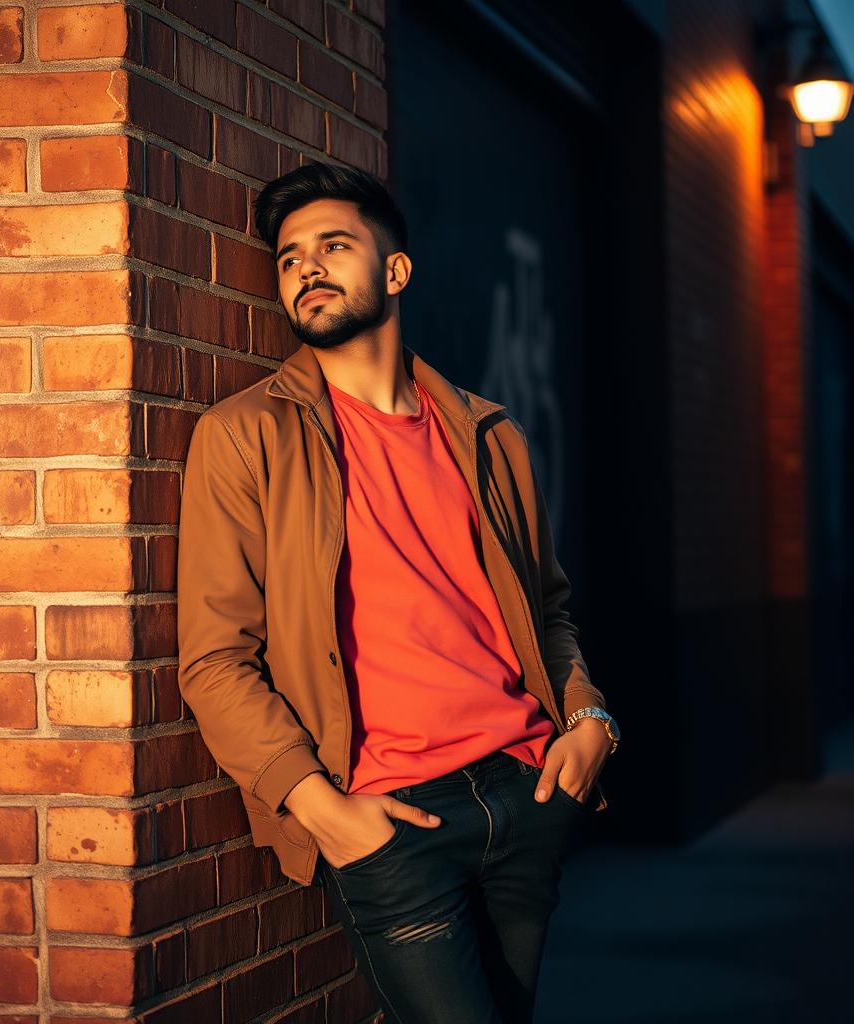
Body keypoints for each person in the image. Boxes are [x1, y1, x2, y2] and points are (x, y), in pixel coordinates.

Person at [177, 161, 620, 1023]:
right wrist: (323, 811)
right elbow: (213, 660)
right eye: (289, 256)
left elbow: (547, 614)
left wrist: (591, 720)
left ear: (395, 270)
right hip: (392, 826)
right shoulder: (245, 437)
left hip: (527, 795)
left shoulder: (491, 436)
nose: (304, 266)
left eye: (332, 246)